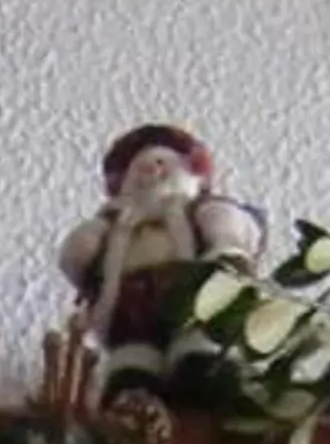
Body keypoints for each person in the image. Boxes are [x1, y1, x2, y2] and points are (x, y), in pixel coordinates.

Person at [58, 125, 263, 404]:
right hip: (132, 308)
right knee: (133, 365)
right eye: (139, 168)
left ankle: (202, 368)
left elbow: (234, 230)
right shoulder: (117, 226)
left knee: (199, 352)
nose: (150, 172)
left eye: (161, 163)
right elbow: (77, 254)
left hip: (191, 297)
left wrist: (225, 242)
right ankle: (133, 388)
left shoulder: (197, 211)